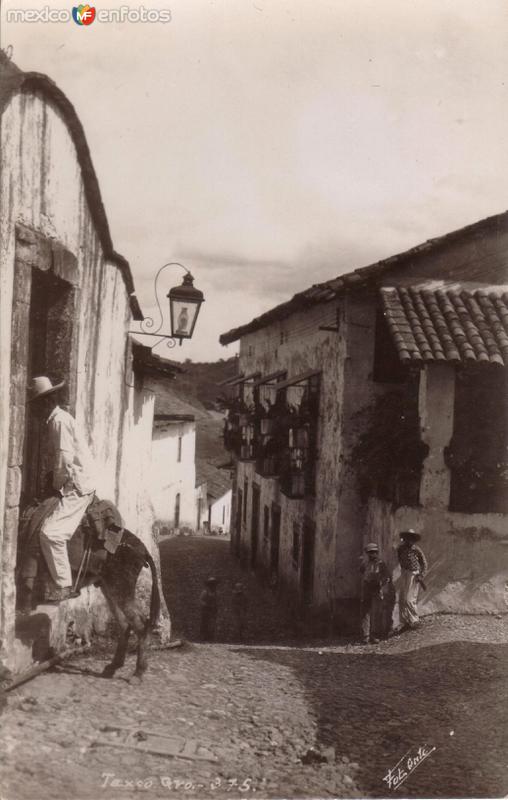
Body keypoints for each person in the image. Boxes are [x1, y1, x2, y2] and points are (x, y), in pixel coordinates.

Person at [29, 376, 96, 603]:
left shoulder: (58, 421)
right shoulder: (57, 419)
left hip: (77, 485)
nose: (36, 410)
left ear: (47, 402)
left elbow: (63, 459)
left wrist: (56, 487)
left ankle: (64, 584)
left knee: (50, 533)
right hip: (74, 479)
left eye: (38, 404)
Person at [359, 543, 391, 644]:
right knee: (365, 612)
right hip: (367, 587)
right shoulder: (365, 563)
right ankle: (366, 636)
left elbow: (387, 577)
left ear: (377, 553)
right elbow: (361, 571)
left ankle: (375, 635)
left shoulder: (381, 564)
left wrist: (381, 584)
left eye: (374, 552)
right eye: (370, 553)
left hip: (377, 588)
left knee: (376, 612)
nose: (372, 555)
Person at [397, 529, 428, 629]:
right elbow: (398, 558)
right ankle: (405, 621)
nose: (409, 541)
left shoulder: (416, 549)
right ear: (405, 539)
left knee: (409, 599)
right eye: (408, 538)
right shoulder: (400, 549)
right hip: (404, 573)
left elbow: (424, 563)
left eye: (412, 539)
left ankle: (414, 620)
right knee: (402, 599)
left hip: (413, 574)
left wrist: (421, 575)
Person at [199, 577, 219, 641]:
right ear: (209, 585)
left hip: (213, 610)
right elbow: (201, 600)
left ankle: (211, 638)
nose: (213, 585)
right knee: (205, 623)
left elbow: (217, 601)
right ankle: (204, 638)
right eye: (211, 584)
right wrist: (206, 605)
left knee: (213, 624)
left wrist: (216, 606)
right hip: (206, 610)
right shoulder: (205, 592)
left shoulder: (216, 593)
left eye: (214, 584)